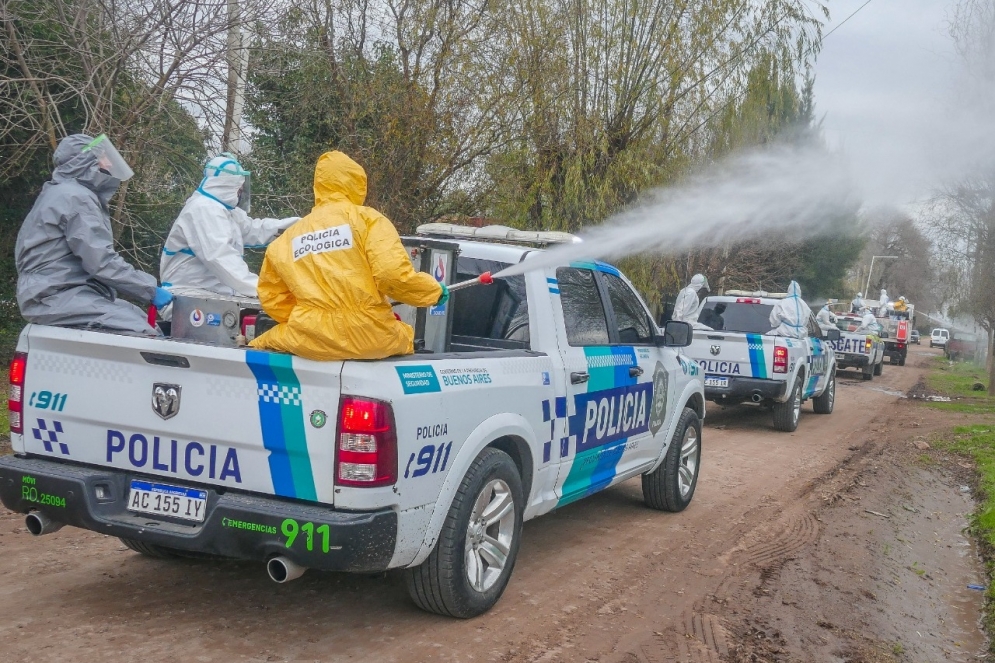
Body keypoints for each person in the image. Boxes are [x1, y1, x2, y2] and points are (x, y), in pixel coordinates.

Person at [249, 151, 445, 361]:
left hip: (310, 337)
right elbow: (392, 276)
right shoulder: (369, 220)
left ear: (318, 186)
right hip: (370, 336)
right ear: (357, 184)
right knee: (406, 335)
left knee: (255, 344)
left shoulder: (286, 240)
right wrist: (432, 292)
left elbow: (271, 296)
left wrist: (309, 318)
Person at [15, 133, 171, 335]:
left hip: (56, 292)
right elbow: (101, 261)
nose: (107, 163)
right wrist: (149, 289)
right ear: (84, 161)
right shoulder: (76, 198)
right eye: (102, 157)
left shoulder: (60, 192)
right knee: (143, 332)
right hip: (55, 295)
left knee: (137, 317)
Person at [159, 154, 300, 310]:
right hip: (187, 297)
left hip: (212, 294)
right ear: (228, 186)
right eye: (239, 188)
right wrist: (261, 289)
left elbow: (254, 229)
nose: (240, 193)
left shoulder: (225, 211)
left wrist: (298, 225)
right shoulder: (204, 210)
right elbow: (221, 257)